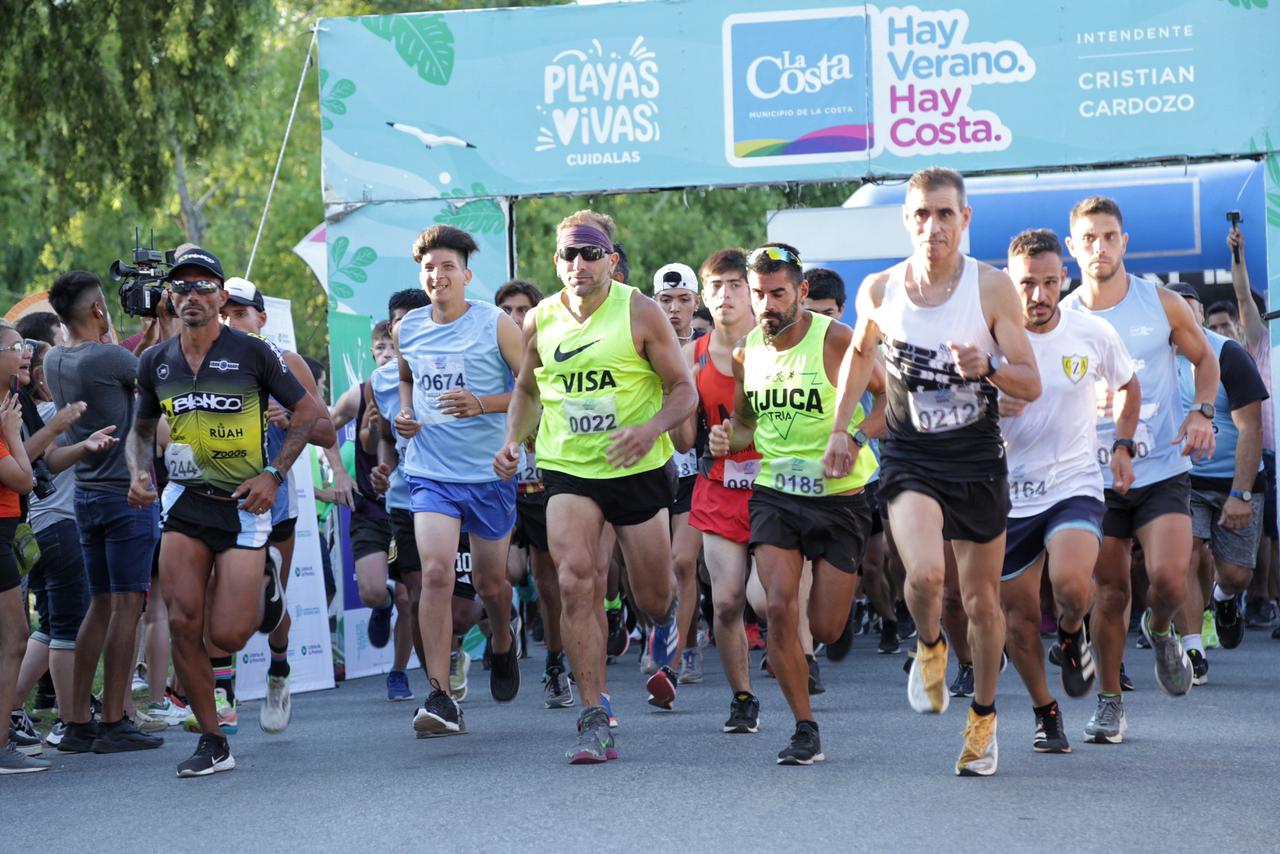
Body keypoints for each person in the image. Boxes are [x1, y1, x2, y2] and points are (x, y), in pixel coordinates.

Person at [842, 167, 1042, 776]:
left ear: (965, 219)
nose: (933, 227)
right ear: (907, 219)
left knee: (983, 604)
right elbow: (859, 354)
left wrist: (987, 366)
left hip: (977, 459)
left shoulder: (992, 289)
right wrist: (839, 431)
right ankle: (928, 644)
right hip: (910, 454)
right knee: (927, 576)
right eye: (922, 214)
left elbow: (1030, 381)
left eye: (945, 214)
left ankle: (982, 720)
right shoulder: (879, 289)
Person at [494, 209, 696, 764]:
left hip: (637, 468)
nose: (578, 263)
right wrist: (514, 440)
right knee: (575, 579)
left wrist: (649, 429)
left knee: (654, 596)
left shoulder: (641, 312)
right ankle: (594, 714)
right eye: (568, 254)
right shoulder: (538, 319)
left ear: (610, 258)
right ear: (557, 262)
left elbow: (683, 392)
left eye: (589, 252)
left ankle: (660, 625)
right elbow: (527, 391)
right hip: (568, 468)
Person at [126, 247, 330, 777]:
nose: (192, 295)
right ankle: (213, 740)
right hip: (186, 504)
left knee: (230, 635)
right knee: (183, 623)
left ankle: (267, 584)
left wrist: (274, 475)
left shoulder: (255, 353)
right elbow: (142, 429)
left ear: (220, 296)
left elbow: (309, 412)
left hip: (244, 507)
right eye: (182, 287)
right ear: (170, 297)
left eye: (203, 286)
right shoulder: (155, 361)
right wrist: (139, 473)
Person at [709, 242, 878, 765]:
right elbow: (745, 425)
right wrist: (727, 438)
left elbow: (891, 405)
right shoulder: (747, 352)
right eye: (758, 294)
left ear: (802, 292)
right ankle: (805, 727)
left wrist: (852, 437)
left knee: (824, 627)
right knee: (779, 606)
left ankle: (837, 620)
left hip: (840, 498)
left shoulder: (837, 340)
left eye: (777, 293)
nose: (766, 306)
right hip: (776, 494)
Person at [1061, 196, 1218, 742]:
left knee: (1171, 579)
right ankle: (1109, 703)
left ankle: (1159, 630)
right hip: (1092, 477)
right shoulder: (1064, 317)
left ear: (1123, 242)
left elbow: (1205, 359)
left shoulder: (1161, 302)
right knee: (1109, 591)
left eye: (1109, 237)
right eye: (1089, 239)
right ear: (1072, 248)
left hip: (1161, 469)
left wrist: (1201, 411)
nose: (1099, 247)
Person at [997, 229, 1140, 753]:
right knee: (1019, 619)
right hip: (1009, 494)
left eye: (1050, 282)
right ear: (1010, 283)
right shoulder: (989, 339)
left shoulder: (1091, 333)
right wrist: (990, 408)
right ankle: (1045, 711)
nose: (1038, 296)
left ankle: (1073, 630)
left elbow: (1128, 384)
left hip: (1073, 483)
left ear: (1065, 279)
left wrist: (1122, 444)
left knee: (1073, 587)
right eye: (1027, 284)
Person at [393, 225, 524, 738]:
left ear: (466, 275)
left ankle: (502, 642)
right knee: (436, 574)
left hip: (486, 472)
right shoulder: (410, 328)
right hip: (430, 472)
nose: (438, 275)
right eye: (429, 267)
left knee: (492, 584)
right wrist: (406, 411)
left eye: (448, 266)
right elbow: (406, 377)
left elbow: (528, 392)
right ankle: (440, 695)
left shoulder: (494, 325)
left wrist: (482, 404)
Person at [45, 271, 164, 754]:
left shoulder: (55, 358)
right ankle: (114, 720)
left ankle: (76, 720)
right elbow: (151, 376)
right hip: (125, 494)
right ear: (98, 310)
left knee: (99, 604)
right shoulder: (110, 356)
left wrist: (148, 331)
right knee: (127, 607)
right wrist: (161, 329)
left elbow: (122, 368)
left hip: (87, 495)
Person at [219, 276, 341, 733]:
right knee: (219, 600)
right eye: (224, 314)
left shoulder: (287, 364)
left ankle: (278, 670)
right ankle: (222, 697)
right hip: (216, 502)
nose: (230, 322)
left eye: (239, 313)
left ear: (262, 319)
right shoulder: (202, 365)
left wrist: (293, 418)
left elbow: (327, 431)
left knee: (269, 604)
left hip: (274, 503)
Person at [677, 248, 761, 731]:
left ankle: (798, 659)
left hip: (774, 486)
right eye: (716, 287)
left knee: (770, 600)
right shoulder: (693, 354)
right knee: (727, 600)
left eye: (734, 285)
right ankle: (743, 697)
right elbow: (685, 440)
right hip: (717, 487)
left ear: (750, 291)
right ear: (705, 296)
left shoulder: (778, 345)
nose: (725, 295)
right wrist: (683, 416)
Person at [1167, 283, 1267, 683]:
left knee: (1234, 573)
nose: (1181, 318)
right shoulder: (1156, 358)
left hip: (1235, 481)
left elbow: (1252, 428)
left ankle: (1225, 600)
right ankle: (1193, 649)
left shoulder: (1230, 355)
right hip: (1181, 481)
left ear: (1201, 313)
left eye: (1188, 310)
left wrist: (1241, 494)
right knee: (1184, 557)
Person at [495, 279, 573, 708]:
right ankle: (513, 608)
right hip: (501, 485)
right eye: (507, 309)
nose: (515, 318)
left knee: (550, 582)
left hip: (544, 488)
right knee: (504, 572)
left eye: (523, 309)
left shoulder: (552, 353)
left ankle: (556, 662)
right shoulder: (488, 358)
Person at [1217, 227, 1280, 634]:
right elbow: (1243, 297)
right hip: (1267, 454)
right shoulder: (1260, 345)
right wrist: (1238, 257)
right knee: (1267, 537)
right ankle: (1252, 600)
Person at [652, 262, 705, 684]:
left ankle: (677, 654)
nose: (674, 309)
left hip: (694, 473)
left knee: (683, 563)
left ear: (696, 303)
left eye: (683, 300)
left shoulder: (709, 349)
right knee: (651, 573)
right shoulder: (640, 345)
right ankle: (659, 629)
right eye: (666, 300)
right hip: (648, 469)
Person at [0, 322, 42, 773]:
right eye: (16, 348)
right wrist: (12, 434)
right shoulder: (3, 415)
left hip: (10, 527)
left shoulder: (6, 406)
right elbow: (24, 478)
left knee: (13, 639)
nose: (24, 354)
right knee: (14, 638)